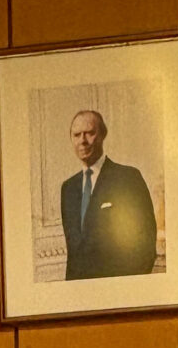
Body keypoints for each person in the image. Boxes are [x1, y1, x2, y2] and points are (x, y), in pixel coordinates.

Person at [59, 109, 157, 280]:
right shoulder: (68, 188)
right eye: (76, 135)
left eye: (89, 133)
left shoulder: (127, 178)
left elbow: (146, 242)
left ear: (103, 135)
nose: (83, 141)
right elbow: (73, 254)